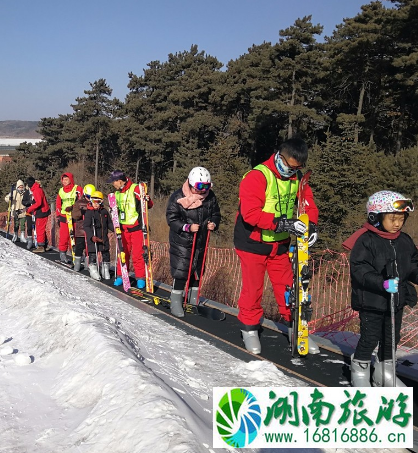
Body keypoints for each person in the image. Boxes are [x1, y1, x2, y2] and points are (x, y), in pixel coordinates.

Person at [234, 137, 320, 355]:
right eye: (289, 166)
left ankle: (297, 329)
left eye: (297, 168)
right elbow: (250, 214)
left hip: (280, 243)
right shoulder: (257, 176)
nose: (291, 171)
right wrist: (281, 223)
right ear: (279, 155)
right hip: (253, 242)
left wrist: (311, 226)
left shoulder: (298, 178)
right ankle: (250, 328)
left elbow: (307, 203)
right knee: (253, 289)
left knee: (288, 288)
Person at [343, 191, 418, 387]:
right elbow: (359, 269)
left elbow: (412, 265)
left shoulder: (404, 241)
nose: (397, 223)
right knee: (370, 337)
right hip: (372, 300)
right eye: (392, 218)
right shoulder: (366, 241)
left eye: (401, 218)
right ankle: (360, 372)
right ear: (375, 217)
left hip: (396, 300)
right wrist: (381, 283)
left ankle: (385, 372)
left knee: (391, 338)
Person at [166, 167, 221, 317]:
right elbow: (171, 218)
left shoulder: (210, 196)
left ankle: (192, 298)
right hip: (182, 241)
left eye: (206, 187)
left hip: (201, 240)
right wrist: (187, 227)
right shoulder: (178, 197)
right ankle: (176, 298)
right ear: (191, 184)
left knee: (198, 268)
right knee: (182, 269)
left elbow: (216, 213)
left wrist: (213, 224)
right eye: (199, 187)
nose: (203, 191)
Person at [107, 170, 154, 289]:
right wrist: (113, 210)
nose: (113, 185)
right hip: (122, 229)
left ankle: (140, 278)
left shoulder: (135, 188)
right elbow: (115, 209)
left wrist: (146, 200)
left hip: (136, 227)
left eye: (114, 182)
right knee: (122, 254)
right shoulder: (117, 194)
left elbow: (148, 205)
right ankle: (121, 276)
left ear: (119, 180)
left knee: (138, 254)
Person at [83, 191, 114, 280]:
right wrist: (91, 236)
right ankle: (93, 269)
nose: (96, 204)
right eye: (94, 202)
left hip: (103, 236)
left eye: (98, 202)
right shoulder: (89, 212)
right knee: (93, 254)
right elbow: (86, 226)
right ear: (91, 201)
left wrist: (115, 230)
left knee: (105, 253)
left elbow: (109, 223)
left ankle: (105, 269)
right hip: (93, 238)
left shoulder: (104, 211)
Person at [55, 173, 84, 265]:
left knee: (76, 237)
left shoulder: (77, 189)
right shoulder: (61, 191)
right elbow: (58, 204)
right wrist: (58, 215)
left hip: (75, 216)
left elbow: (81, 201)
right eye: (63, 180)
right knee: (64, 236)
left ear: (70, 180)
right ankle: (62, 254)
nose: (64, 181)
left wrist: (74, 207)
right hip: (64, 216)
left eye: (66, 179)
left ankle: (77, 255)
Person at [25, 177, 51, 252]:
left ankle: (41, 246)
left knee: (40, 229)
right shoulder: (37, 189)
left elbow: (38, 203)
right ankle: (44, 244)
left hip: (41, 212)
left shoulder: (36, 190)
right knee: (41, 228)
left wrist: (30, 209)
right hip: (42, 211)